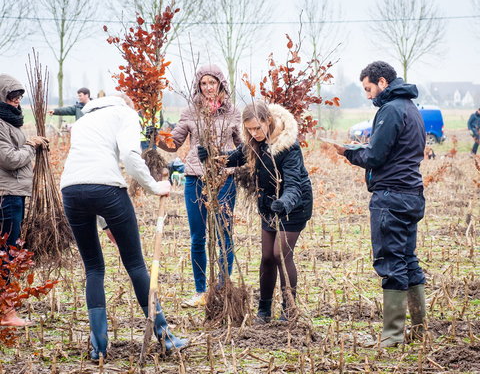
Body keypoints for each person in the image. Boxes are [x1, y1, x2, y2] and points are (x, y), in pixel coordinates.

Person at [60, 94, 187, 360]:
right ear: (128, 104)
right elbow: (129, 155)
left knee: (93, 268)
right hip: (107, 190)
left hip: (71, 190)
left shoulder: (84, 120)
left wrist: (106, 225)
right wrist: (154, 187)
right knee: (136, 265)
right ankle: (166, 337)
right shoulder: (126, 113)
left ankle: (98, 348)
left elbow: (87, 178)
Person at [334, 61, 426, 347]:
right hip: (411, 194)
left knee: (390, 262)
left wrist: (349, 153)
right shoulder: (411, 108)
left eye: (368, 88)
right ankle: (420, 328)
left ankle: (392, 335)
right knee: (408, 259)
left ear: (383, 82)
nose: (368, 94)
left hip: (391, 197)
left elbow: (375, 156)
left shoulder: (391, 110)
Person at [199, 101, 313, 323]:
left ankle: (289, 309)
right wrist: (211, 156)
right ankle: (264, 310)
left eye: (258, 128)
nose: (254, 133)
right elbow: (232, 158)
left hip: (294, 206)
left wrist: (285, 202)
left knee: (281, 254)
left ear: (268, 121)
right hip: (268, 205)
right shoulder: (254, 143)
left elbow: (295, 184)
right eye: (249, 129)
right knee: (267, 257)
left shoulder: (288, 147)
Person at [157, 65, 242, 308]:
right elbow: (174, 143)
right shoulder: (190, 112)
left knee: (224, 234)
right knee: (197, 236)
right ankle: (201, 291)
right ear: (198, 86)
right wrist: (157, 137)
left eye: (212, 83)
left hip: (224, 178)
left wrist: (221, 155)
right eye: (203, 84)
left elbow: (243, 149)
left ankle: (223, 288)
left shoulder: (233, 112)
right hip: (195, 177)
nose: (208, 88)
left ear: (221, 83)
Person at [0, 74, 48, 326]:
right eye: (11, 97)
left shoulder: (11, 123)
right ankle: (7, 314)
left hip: (15, 193)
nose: (16, 102)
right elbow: (9, 159)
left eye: (18, 97)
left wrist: (33, 144)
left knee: (9, 251)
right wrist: (30, 146)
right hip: (6, 194)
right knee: (6, 252)